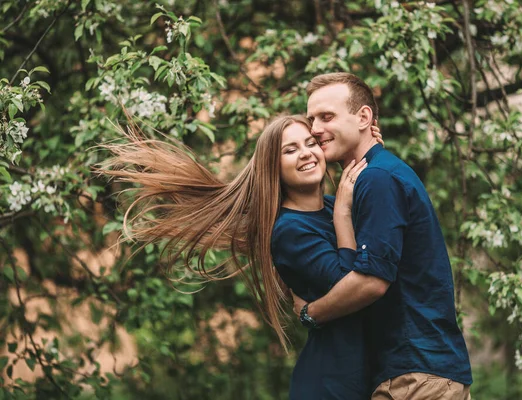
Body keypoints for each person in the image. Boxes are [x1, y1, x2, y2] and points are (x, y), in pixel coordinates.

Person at [99, 114, 382, 399]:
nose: (306, 153)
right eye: (290, 149)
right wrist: (343, 214)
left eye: (311, 143)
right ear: (274, 167)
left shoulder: (333, 206)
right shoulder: (290, 230)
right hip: (331, 382)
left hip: (364, 370)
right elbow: (351, 285)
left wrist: (367, 150)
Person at [290, 72, 473, 400]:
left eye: (327, 116)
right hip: (409, 373)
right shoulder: (373, 176)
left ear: (363, 117)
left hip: (416, 378)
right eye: (311, 119)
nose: (315, 129)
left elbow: (372, 281)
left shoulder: (378, 179)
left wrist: (310, 313)